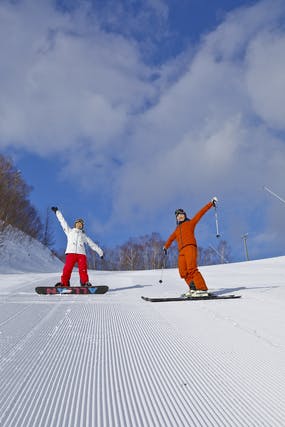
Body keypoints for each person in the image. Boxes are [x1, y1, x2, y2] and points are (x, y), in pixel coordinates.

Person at [163, 197, 218, 297]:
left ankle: (202, 288)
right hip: (181, 251)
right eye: (178, 216)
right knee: (183, 272)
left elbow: (200, 213)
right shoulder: (177, 230)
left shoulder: (190, 223)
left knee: (192, 268)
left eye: (181, 215)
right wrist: (166, 247)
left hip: (190, 247)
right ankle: (193, 288)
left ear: (185, 215)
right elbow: (171, 238)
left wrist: (210, 204)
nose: (180, 217)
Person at [51, 207, 104, 287]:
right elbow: (63, 222)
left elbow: (92, 244)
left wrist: (100, 252)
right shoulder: (70, 231)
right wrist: (57, 212)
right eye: (78, 223)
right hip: (71, 253)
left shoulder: (84, 236)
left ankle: (84, 283)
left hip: (81, 254)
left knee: (83, 269)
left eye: (81, 224)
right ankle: (64, 283)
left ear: (82, 226)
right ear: (75, 224)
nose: (79, 225)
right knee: (67, 269)